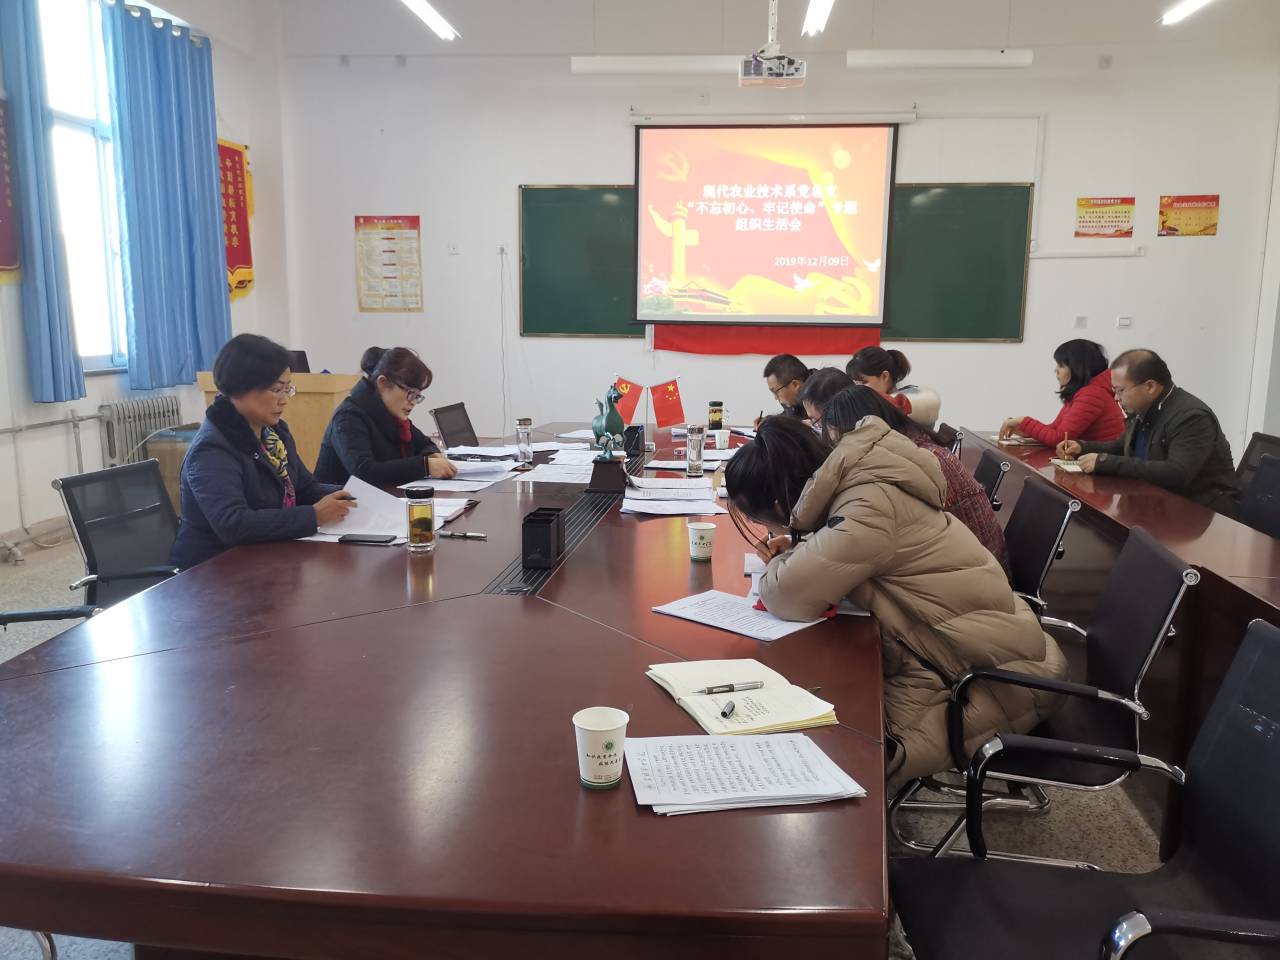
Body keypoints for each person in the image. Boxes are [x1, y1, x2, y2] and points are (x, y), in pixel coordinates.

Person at [724, 416, 1065, 785]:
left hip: (988, 686)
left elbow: (786, 597)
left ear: (778, 504)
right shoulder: (864, 483)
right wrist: (797, 549)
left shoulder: (868, 507)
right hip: (980, 656)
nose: (770, 531)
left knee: (824, 751)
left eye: (764, 522)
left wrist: (779, 561)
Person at [171, 334, 356, 569]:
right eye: (276, 389)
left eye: (287, 389)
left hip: (267, 558)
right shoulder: (211, 449)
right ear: (240, 388)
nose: (284, 400)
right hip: (213, 571)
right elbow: (233, 524)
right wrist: (314, 515)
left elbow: (304, 487)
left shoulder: (274, 435)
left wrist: (352, 495)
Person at [822, 385, 1009, 570]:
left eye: (841, 442)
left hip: (979, 571)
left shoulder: (924, 462)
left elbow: (896, 532)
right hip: (967, 565)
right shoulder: (906, 448)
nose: (841, 452)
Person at [1056, 349, 1239, 514]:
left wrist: (1106, 462)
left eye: (1121, 390)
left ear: (1150, 386)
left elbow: (1177, 474)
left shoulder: (1192, 417)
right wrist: (1082, 447)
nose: (1116, 398)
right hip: (1156, 502)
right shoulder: (1145, 409)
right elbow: (1122, 446)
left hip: (1201, 513)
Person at [315, 346, 458, 486]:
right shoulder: (348, 417)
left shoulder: (391, 414)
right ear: (383, 383)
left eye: (417, 396)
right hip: (342, 499)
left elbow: (425, 444)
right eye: (410, 393)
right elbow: (364, 472)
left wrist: (431, 455)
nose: (413, 402)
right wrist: (425, 466)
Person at [999, 339, 1125, 446]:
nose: (1056, 370)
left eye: (1061, 365)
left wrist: (1023, 421)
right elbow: (1055, 429)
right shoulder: (1085, 391)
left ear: (1077, 368)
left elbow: (1059, 439)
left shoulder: (1092, 394)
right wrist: (1024, 430)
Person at [846, 346, 941, 429]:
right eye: (856, 383)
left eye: (864, 382)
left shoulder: (915, 400)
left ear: (884, 376)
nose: (858, 388)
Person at [761, 354, 813, 420]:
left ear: (795, 385)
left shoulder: (822, 396)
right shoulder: (793, 401)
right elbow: (790, 415)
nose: (776, 398)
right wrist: (769, 421)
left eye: (776, 392)